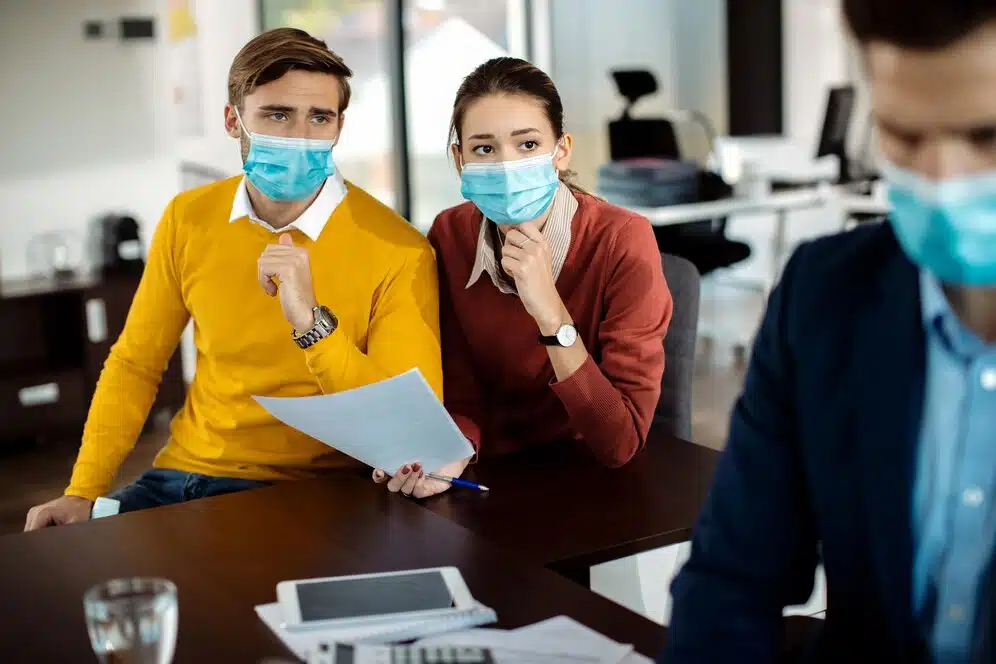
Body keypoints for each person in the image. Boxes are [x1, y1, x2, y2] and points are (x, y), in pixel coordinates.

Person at [662, 1, 996, 662]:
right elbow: (730, 578)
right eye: (903, 135)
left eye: (987, 137)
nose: (943, 180)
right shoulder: (824, 298)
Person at [24, 28, 442, 528]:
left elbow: (405, 425)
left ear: (339, 127)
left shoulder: (399, 248)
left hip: (312, 491)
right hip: (181, 475)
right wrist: (82, 491)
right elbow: (136, 364)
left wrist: (312, 323)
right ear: (233, 119)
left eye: (319, 118)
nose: (299, 136)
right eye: (277, 115)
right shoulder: (188, 218)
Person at [375, 57, 673, 499]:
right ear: (460, 160)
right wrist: (448, 452)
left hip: (590, 480)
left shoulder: (623, 241)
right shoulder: (450, 234)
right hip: (489, 477)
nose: (506, 165)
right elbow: (458, 385)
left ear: (562, 151)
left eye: (528, 144)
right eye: (484, 149)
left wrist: (550, 312)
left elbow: (620, 443)